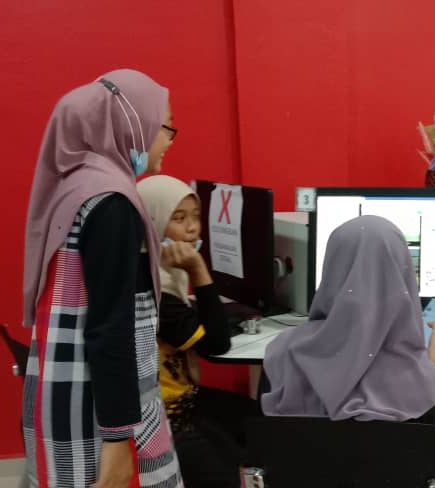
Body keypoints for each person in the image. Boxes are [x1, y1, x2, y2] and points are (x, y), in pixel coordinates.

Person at [21, 69, 181, 488]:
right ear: (131, 124)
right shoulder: (113, 203)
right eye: (165, 126)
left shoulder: (76, 186)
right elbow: (112, 328)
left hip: (66, 391)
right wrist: (118, 438)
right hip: (100, 411)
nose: (169, 139)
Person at [260, 215, 435, 424]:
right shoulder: (417, 378)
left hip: (300, 447)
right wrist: (431, 361)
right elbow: (423, 437)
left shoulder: (282, 352)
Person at [136, 175, 261, 488]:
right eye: (178, 219)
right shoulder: (154, 293)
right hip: (165, 417)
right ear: (150, 225)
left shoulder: (152, 272)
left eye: (195, 217)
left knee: (257, 420)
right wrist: (199, 270)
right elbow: (216, 344)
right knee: (250, 435)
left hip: (181, 399)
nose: (192, 229)